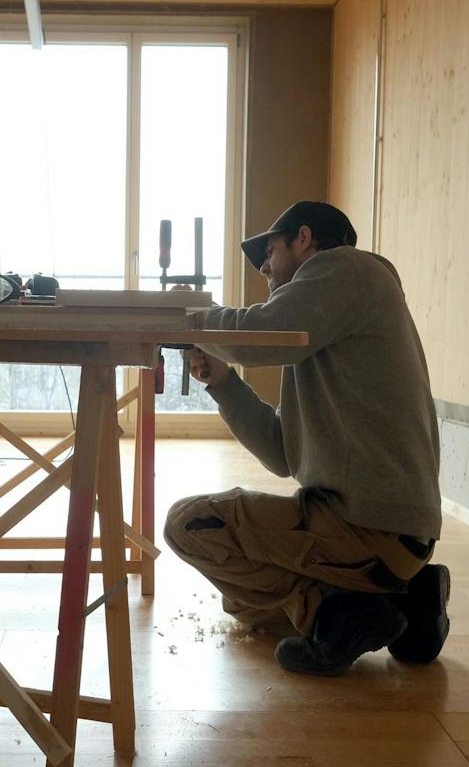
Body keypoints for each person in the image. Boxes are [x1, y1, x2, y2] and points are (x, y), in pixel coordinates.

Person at [164, 200, 450, 676]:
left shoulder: (347, 269)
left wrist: (189, 315)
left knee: (189, 526)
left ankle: (334, 614)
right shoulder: (325, 328)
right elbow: (282, 453)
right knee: (240, 602)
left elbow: (260, 333)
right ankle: (407, 604)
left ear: (304, 239)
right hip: (387, 535)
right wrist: (224, 383)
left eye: (269, 250)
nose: (263, 266)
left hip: (367, 527)